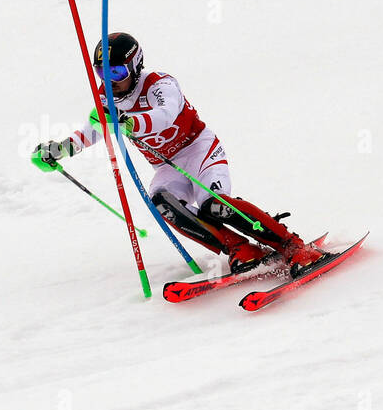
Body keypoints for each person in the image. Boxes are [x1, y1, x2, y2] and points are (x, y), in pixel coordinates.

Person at [31, 32, 320, 273]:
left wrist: (130, 121)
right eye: (102, 72)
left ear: (135, 66)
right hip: (168, 165)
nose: (110, 79)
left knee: (213, 205)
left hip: (199, 150)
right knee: (162, 202)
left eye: (117, 71)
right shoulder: (106, 99)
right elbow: (93, 130)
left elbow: (166, 114)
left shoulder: (160, 83)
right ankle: (239, 248)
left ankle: (291, 245)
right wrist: (60, 150)